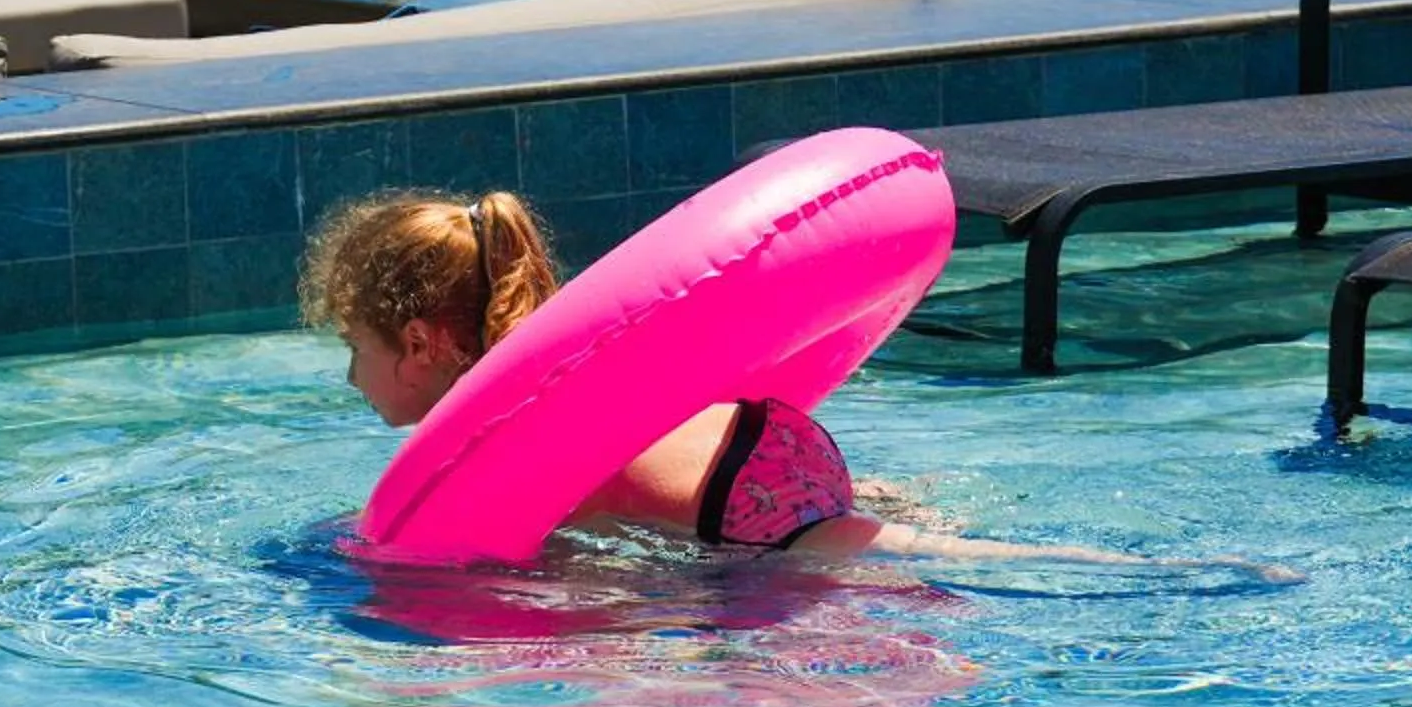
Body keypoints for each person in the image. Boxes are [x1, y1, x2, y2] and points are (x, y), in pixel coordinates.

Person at [303, 190, 1288, 574]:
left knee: (981, 560)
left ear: (425, 340)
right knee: (916, 534)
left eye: (357, 346)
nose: (353, 377)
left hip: (746, 508)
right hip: (765, 441)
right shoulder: (564, 356)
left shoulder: (501, 430)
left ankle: (1180, 574)